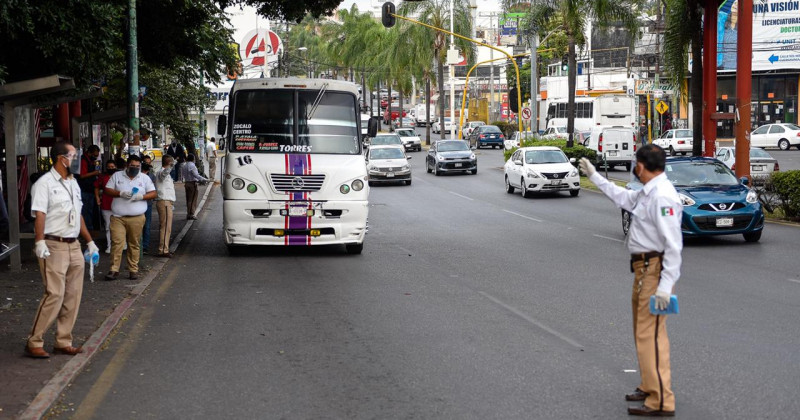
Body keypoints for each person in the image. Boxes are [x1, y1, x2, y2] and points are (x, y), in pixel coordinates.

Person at [579, 145, 681, 417]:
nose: (635, 168)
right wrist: (595, 176)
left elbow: (674, 247)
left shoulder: (663, 197)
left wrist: (664, 286)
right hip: (643, 270)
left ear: (641, 166)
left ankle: (662, 399)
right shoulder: (648, 193)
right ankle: (649, 385)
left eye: (636, 164)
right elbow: (622, 197)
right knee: (643, 333)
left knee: (652, 335)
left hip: (655, 271)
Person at [26, 142, 100, 358]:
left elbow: (78, 215)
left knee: (73, 295)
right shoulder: (44, 184)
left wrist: (89, 241)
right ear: (62, 158)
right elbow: (39, 214)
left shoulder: (73, 183)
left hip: (74, 244)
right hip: (53, 244)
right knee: (54, 294)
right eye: (74, 156)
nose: (76, 160)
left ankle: (63, 340)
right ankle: (34, 341)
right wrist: (39, 242)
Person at [103, 155, 157, 280]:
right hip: (118, 217)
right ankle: (113, 269)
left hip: (137, 217)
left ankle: (133, 270)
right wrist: (120, 193)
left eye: (138, 166)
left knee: (134, 244)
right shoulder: (117, 176)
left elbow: (153, 193)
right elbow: (107, 190)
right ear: (127, 165)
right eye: (132, 166)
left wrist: (142, 197)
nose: (135, 168)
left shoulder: (144, 178)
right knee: (117, 243)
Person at [94, 159, 117, 253]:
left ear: (115, 167)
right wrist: (97, 198)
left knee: (119, 226)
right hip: (106, 205)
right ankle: (109, 246)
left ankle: (121, 244)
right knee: (108, 226)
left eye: (112, 167)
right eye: (109, 167)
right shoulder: (102, 177)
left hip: (119, 205)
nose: (111, 168)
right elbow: (96, 187)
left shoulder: (120, 177)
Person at [155, 155, 176, 257]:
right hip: (164, 202)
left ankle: (164, 248)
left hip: (167, 203)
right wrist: (170, 167)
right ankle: (163, 249)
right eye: (171, 163)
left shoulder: (165, 174)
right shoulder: (161, 172)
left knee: (166, 226)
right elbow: (164, 173)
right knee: (166, 226)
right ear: (168, 162)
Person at [78, 145, 101, 230]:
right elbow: (82, 175)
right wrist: (94, 173)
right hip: (85, 188)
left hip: (91, 187)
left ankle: (90, 227)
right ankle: (87, 228)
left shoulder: (93, 161)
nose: (95, 157)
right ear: (89, 153)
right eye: (94, 155)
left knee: (90, 209)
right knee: (86, 210)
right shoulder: (84, 160)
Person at [180, 154, 208, 220]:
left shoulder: (184, 166)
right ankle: (192, 214)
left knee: (188, 199)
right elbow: (196, 175)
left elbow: (182, 176)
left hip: (186, 183)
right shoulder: (192, 166)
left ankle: (188, 213)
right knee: (193, 199)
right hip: (192, 184)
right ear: (193, 159)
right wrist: (204, 179)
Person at [141, 162, 156, 254]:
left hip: (146, 203)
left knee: (146, 225)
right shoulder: (151, 176)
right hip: (144, 203)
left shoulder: (151, 176)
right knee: (145, 225)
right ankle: (142, 246)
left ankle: (144, 246)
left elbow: (154, 190)